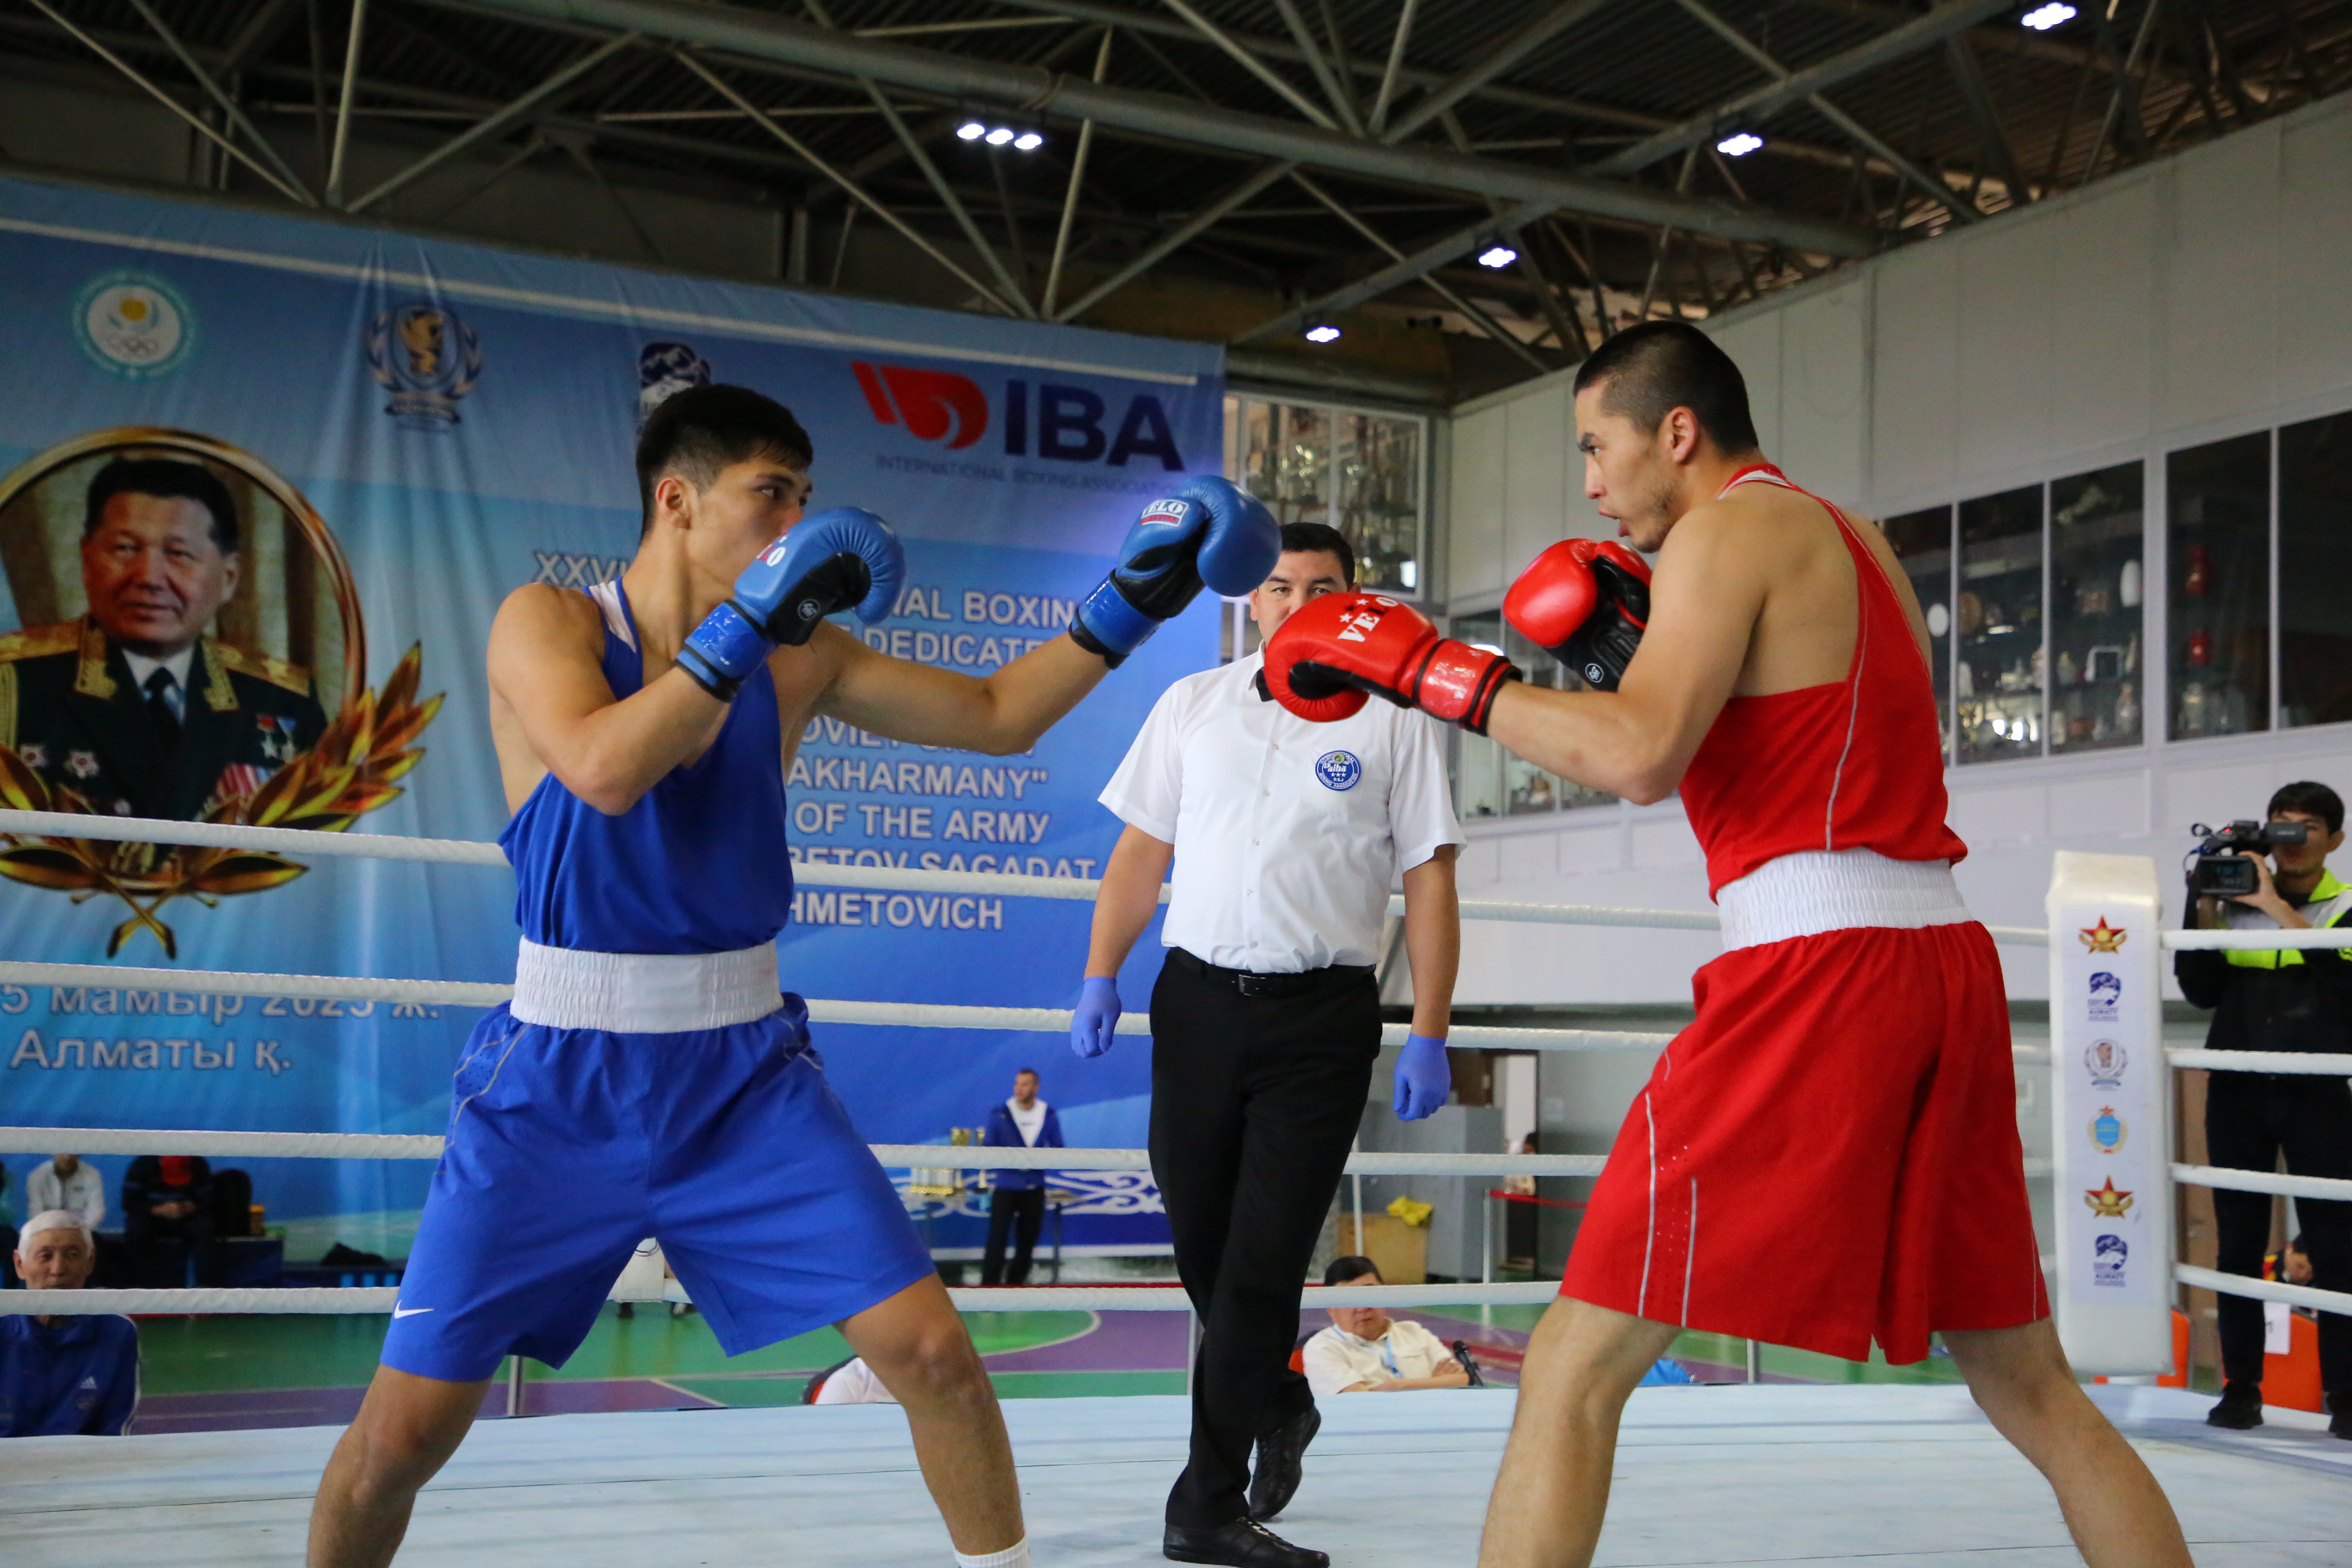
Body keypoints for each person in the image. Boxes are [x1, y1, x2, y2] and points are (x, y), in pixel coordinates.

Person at [1261, 320, 2193, 1568]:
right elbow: (1782, 743)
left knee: (1573, 1364)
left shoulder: (1723, 532)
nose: (1591, 481)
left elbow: (1641, 755)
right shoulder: (1850, 535)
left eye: (1600, 445)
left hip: (1820, 971)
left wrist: (1435, 668)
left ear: (1677, 433)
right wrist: (1642, 657)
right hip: (1940, 961)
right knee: (2028, 1378)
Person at [304, 383, 1276, 1568]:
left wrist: (1129, 602)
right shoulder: (548, 620)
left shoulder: (795, 656)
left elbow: (995, 713)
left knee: (934, 1360)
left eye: (805, 502)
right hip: (554, 1084)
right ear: (677, 499)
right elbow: (607, 770)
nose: (797, 526)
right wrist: (740, 632)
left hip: (743, 1077)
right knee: (403, 1436)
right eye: (772, 497)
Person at [1077, 519, 1466, 1568]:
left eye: (1324, 586)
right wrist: (1099, 971)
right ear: (1252, 599)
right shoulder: (1193, 707)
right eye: (1281, 587)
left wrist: (1429, 1027)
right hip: (1196, 1006)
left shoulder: (1395, 718)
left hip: (1320, 1024)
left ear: (1357, 597)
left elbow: (1429, 875)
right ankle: (1284, 1397)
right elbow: (1138, 851)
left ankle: (1203, 1506)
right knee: (1206, 1245)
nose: (1300, 604)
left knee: (1258, 1268)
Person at [0, 456, 328, 821]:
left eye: (178, 554)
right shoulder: (11, 684)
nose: (149, 577)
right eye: (125, 549)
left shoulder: (284, 701)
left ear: (230, 577)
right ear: (86, 560)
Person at [2174, 780, 2351, 1438]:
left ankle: (2348, 1394)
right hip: (2240, 1090)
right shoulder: (2234, 902)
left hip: (2320, 1094)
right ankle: (2240, 1390)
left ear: (2335, 838)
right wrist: (2208, 908)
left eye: (2307, 827)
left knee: (2338, 1247)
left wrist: (2275, 906)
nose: (2292, 840)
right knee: (2238, 1246)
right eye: (2281, 826)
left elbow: (2342, 984)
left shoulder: (2345, 908)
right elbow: (2198, 989)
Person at [1, 1211, 140, 1437]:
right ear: (20, 1264)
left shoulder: (117, 1331)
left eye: (72, 1255)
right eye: (45, 1256)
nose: (58, 1270)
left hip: (83, 1465)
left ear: (90, 1262)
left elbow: (115, 1430)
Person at [1301, 1257, 1469, 1397]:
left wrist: (1396, 1387)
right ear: (1331, 1307)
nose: (1362, 1307)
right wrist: (1434, 1384)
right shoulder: (1322, 1347)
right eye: (1349, 1298)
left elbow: (1461, 1380)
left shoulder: (1414, 1332)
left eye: (1369, 1293)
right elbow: (1360, 1401)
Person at [980, 1068, 1065, 1287]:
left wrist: (1038, 1162)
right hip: (1005, 1188)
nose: (1019, 1089)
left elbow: (1058, 1148)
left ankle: (1016, 1287)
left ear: (1036, 1087)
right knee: (996, 1241)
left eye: (1025, 1084)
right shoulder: (1000, 1113)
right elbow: (988, 1146)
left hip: (1034, 1189)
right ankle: (988, 1291)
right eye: (1017, 1084)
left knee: (1027, 1243)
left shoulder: (1049, 1114)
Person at [120, 1153, 213, 1287]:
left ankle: (205, 1284)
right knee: (136, 1229)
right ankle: (140, 1284)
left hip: (188, 1217)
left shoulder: (199, 1165)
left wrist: (190, 1207)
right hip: (152, 1216)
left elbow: (209, 1200)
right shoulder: (142, 1166)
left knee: (205, 1228)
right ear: (161, 1164)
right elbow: (128, 1203)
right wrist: (156, 1210)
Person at [26, 1154, 107, 1232]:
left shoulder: (92, 1174)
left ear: (79, 1154)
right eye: (63, 1152)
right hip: (46, 1231)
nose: (67, 1157)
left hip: (81, 1232)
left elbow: (96, 1211)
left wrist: (80, 1232)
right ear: (54, 1153)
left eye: (72, 1153)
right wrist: (50, 1233)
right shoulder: (37, 1175)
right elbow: (35, 1211)